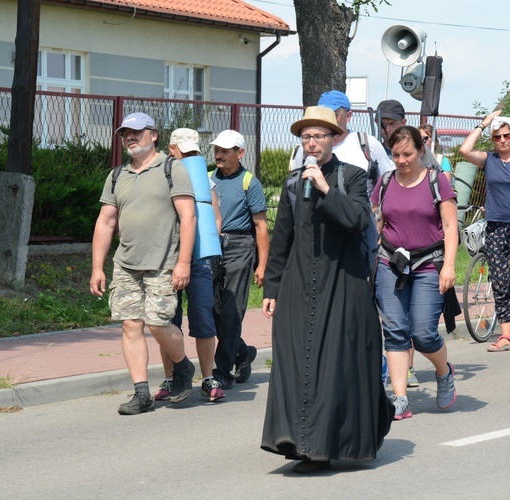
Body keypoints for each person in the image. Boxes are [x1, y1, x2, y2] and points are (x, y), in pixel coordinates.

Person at [261, 106, 393, 474]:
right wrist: (272, 287)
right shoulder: (291, 182)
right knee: (297, 362)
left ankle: (329, 444)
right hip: (298, 283)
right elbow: (281, 238)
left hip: (343, 282)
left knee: (336, 363)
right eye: (306, 137)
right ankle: (300, 444)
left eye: (319, 136)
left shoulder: (350, 176)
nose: (311, 143)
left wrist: (323, 188)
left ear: (334, 139)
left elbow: (357, 220)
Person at [90, 112, 197, 415]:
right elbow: (105, 223)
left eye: (137, 132)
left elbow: (188, 217)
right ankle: (141, 393)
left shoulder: (171, 169)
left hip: (164, 262)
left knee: (157, 323)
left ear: (153, 135)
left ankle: (182, 365)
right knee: (130, 325)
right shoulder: (117, 175)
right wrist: (98, 267)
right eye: (126, 134)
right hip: (126, 264)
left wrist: (184, 262)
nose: (130, 138)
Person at [372, 125, 459, 419]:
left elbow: (450, 227)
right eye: (395, 154)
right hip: (390, 262)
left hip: (428, 264)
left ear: (421, 151)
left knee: (422, 333)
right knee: (395, 330)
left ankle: (444, 372)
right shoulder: (384, 182)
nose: (401, 160)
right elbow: (377, 223)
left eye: (407, 154)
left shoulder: (437, 182)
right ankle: (400, 398)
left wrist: (449, 266)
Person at [154, 128, 226, 403]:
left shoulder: (204, 181)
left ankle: (207, 378)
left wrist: (209, 241)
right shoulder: (162, 175)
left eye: (194, 153)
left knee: (204, 319)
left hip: (199, 262)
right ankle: (172, 377)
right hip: (166, 260)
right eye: (184, 153)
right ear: (171, 149)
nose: (189, 157)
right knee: (167, 320)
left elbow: (215, 217)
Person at [459, 110, 510, 352]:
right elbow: (464, 150)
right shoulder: (488, 160)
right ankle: (506, 335)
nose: (502, 140)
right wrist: (484, 124)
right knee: (500, 281)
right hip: (494, 225)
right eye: (497, 137)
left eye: (506, 135)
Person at [210, 130, 270, 390]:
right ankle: (242, 353)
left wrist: (263, 264)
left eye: (225, 151)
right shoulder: (208, 179)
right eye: (217, 150)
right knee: (211, 310)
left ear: (240, 153)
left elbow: (261, 226)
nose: (219, 155)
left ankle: (222, 372)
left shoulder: (249, 182)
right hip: (212, 247)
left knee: (232, 313)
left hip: (239, 246)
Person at [290, 90, 394, 197]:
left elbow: (388, 183)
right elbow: (294, 187)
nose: (327, 119)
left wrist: (374, 209)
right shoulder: (307, 149)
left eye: (333, 115)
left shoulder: (367, 144)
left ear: (348, 116)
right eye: (322, 114)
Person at [376, 99, 439, 167]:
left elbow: (437, 175)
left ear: (403, 122)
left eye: (392, 124)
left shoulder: (419, 149)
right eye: (383, 124)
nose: (387, 129)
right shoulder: (373, 151)